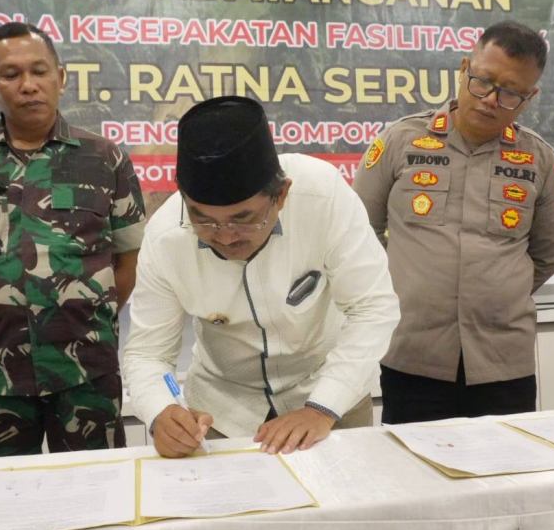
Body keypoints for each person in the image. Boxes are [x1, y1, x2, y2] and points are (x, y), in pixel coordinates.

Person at [122, 96, 399, 457]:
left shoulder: (322, 196)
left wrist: (323, 408)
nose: (225, 236)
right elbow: (148, 353)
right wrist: (161, 411)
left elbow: (372, 308)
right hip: (224, 412)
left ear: (280, 195)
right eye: (204, 220)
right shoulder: (165, 237)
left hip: (330, 396)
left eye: (244, 219)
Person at [0, 22, 146, 458]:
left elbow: (127, 262)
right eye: (11, 75)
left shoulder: (106, 159)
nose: (28, 85)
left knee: (95, 491)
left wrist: (79, 318)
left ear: (60, 78)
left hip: (86, 374)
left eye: (39, 71)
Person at [352, 21, 554, 424]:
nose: (490, 100)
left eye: (510, 92)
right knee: (411, 462)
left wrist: (495, 293)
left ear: (530, 97)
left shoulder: (541, 161)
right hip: (413, 354)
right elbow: (358, 234)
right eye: (482, 81)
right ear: (464, 68)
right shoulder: (399, 141)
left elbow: (547, 255)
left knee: (506, 462)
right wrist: (407, 284)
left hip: (502, 361)